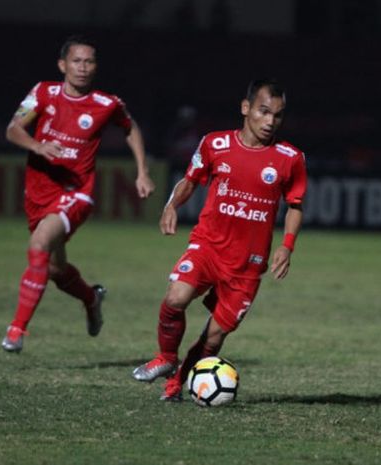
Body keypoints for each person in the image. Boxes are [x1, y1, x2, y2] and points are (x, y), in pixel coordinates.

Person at [132, 78, 307, 401]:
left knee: (214, 336)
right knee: (175, 297)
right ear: (246, 108)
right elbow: (190, 180)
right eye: (263, 111)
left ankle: (178, 383)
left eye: (278, 115)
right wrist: (171, 206)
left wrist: (287, 245)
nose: (270, 121)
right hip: (208, 246)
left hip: (248, 264)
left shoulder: (290, 158)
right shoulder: (215, 144)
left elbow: (295, 205)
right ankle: (166, 358)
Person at [1, 35, 155, 353]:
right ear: (63, 65)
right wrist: (37, 146)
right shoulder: (43, 93)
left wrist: (142, 171)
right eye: (76, 61)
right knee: (55, 270)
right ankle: (91, 298)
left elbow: (130, 128)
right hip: (38, 193)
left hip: (76, 193)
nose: (83, 68)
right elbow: (13, 128)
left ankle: (17, 331)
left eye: (89, 62)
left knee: (39, 245)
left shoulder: (106, 104)